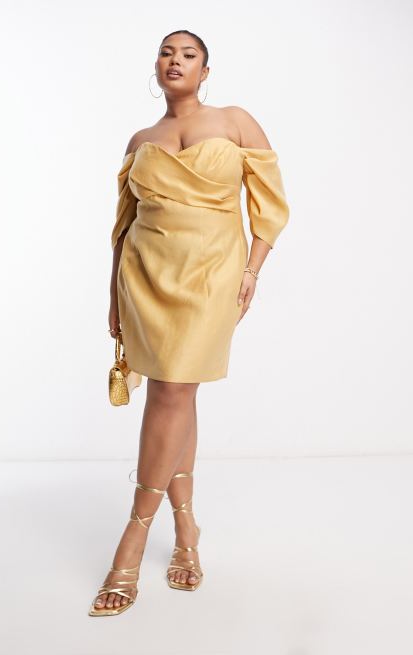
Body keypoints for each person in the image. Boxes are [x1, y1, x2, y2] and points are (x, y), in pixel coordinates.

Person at [89, 29, 290, 616]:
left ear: (206, 70)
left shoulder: (235, 121)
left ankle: (133, 537)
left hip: (211, 276)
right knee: (176, 394)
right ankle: (185, 530)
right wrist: (114, 294)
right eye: (166, 52)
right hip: (145, 277)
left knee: (173, 391)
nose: (175, 61)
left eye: (188, 54)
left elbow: (270, 203)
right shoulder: (140, 140)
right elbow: (123, 224)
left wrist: (252, 270)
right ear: (156, 67)